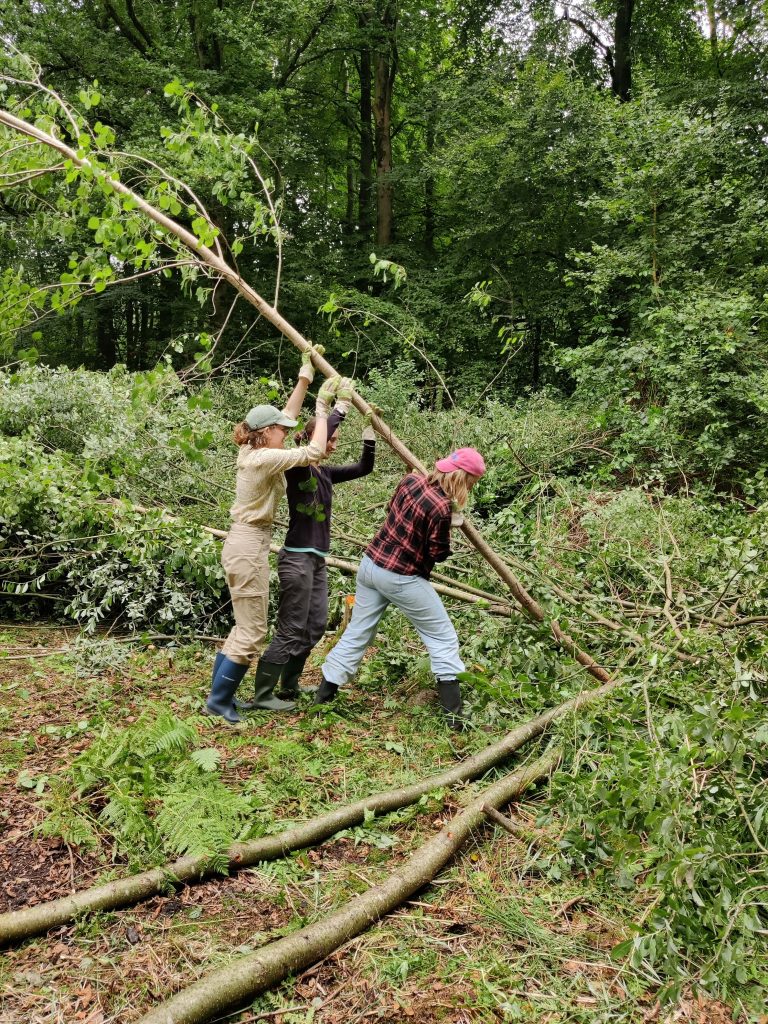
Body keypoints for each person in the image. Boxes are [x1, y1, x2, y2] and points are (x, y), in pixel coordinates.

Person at [205, 358, 340, 724]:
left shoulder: (253, 448)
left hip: (246, 543)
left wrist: (305, 376)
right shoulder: (264, 458)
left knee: (243, 627)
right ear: (266, 433)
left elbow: (286, 415)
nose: (286, 431)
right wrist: (323, 408)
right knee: (252, 630)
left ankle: (217, 697)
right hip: (248, 546)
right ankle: (219, 701)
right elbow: (312, 452)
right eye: (280, 430)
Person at [315, 447, 486, 729]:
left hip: (370, 565)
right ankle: (454, 716)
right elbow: (437, 553)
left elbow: (390, 508)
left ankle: (324, 696)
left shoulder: (411, 480)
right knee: (442, 637)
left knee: (357, 631)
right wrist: (452, 525)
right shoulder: (442, 508)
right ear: (464, 478)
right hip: (401, 576)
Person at [237, 383, 377, 710]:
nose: (334, 443)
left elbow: (364, 468)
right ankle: (262, 695)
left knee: (314, 626)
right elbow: (318, 437)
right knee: (291, 628)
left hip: (317, 561)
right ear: (318, 438)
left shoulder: (325, 474)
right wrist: (339, 407)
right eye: (332, 438)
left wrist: (371, 427)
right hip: (296, 560)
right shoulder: (297, 469)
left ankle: (289, 685)